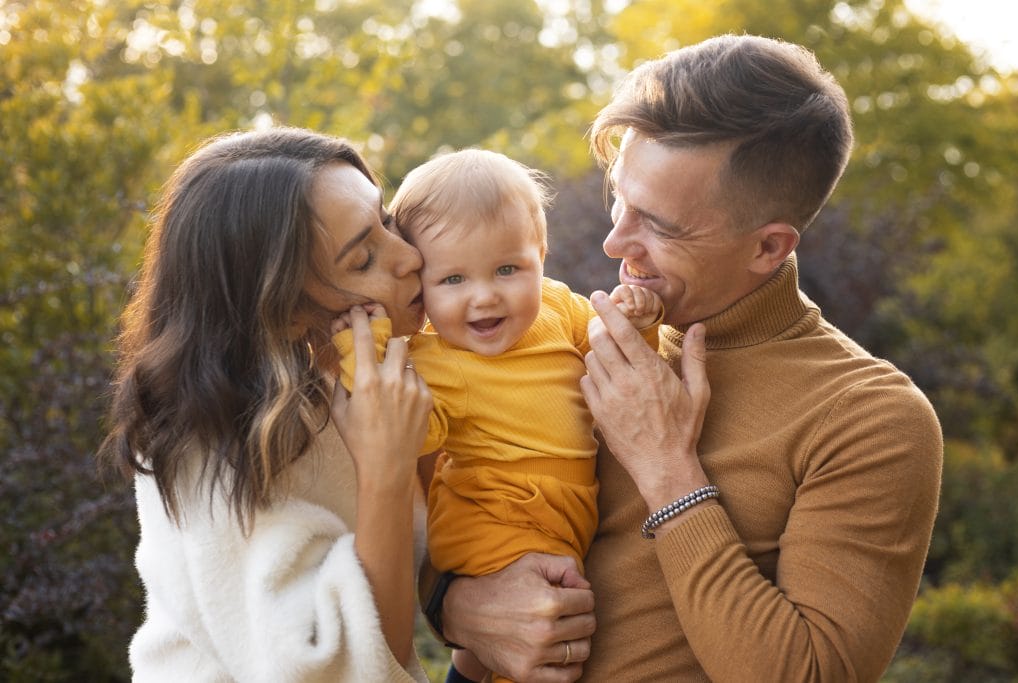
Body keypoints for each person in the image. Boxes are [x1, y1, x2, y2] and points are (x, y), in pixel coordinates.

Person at [428, 34, 944, 681]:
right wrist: (453, 604)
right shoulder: (562, 335)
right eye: (619, 194)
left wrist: (666, 466)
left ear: (768, 246)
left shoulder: (870, 417)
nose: (616, 240)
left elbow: (812, 673)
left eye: (659, 225)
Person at [98, 127, 436, 682]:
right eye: (363, 259)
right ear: (283, 312)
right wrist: (386, 471)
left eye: (387, 221)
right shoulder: (212, 450)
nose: (409, 257)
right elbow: (343, 667)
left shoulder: (362, 379)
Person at [331, 148, 662, 682]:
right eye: (453, 280)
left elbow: (609, 348)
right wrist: (361, 348)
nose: (485, 297)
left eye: (507, 269)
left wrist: (634, 320)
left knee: (537, 631)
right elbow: (411, 430)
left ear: (541, 255)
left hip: (562, 513)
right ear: (421, 286)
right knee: (542, 638)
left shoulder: (558, 307)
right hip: (496, 519)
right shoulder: (437, 359)